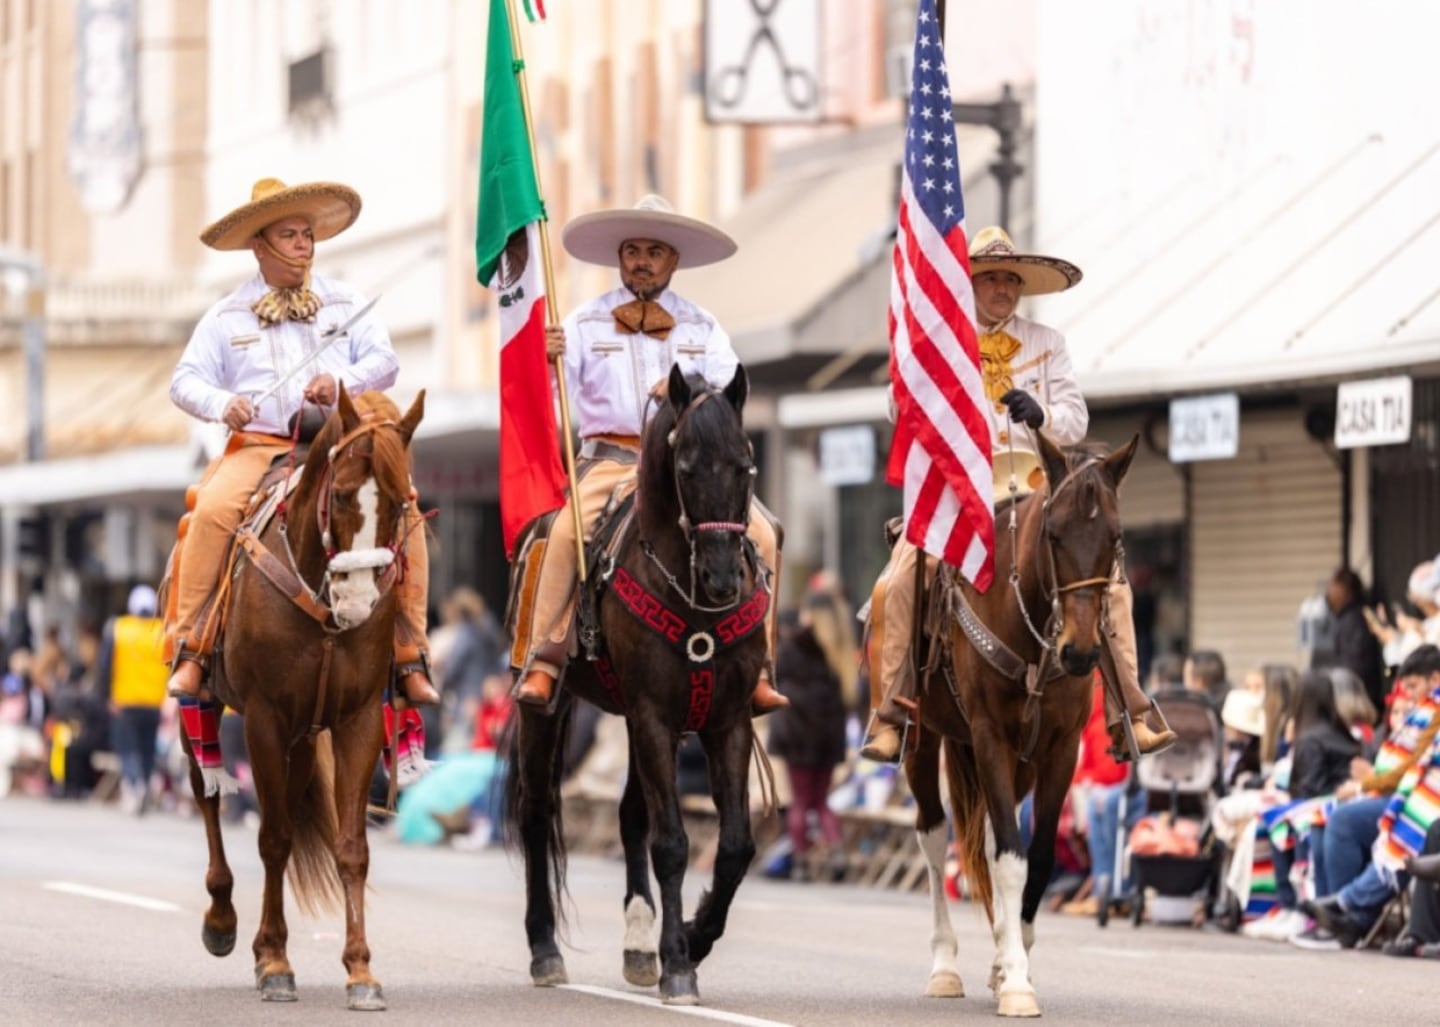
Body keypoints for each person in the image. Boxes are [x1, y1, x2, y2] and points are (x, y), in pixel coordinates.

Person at [860, 227, 1174, 763]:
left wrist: (1041, 414)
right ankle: (892, 717)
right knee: (898, 581)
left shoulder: (1048, 343)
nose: (1002, 288)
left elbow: (1076, 420)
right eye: (990, 278)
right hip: (960, 494)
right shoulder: (943, 339)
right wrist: (918, 363)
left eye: (1010, 279)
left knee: (1113, 582)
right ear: (970, 284)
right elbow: (896, 406)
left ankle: (1131, 715)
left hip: (1036, 490)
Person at [164, 177, 437, 708]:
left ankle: (410, 651)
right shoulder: (225, 314)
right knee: (212, 511)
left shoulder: (346, 301)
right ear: (259, 245)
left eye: (307, 235)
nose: (302, 245)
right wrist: (224, 403)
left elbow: (386, 361)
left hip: (339, 444)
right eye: (289, 235)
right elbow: (184, 381)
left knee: (405, 510)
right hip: (260, 446)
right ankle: (192, 645)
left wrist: (341, 383)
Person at [509, 195, 785, 714]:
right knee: (562, 532)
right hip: (609, 460)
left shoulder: (703, 325)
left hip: (687, 467)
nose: (642, 261)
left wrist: (688, 385)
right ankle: (544, 657)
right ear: (619, 257)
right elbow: (549, 399)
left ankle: (761, 665)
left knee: (766, 534)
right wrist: (543, 361)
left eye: (654, 252)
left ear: (673, 260)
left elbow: (730, 386)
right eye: (632, 250)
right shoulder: (582, 323)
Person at [768, 591, 852, 882]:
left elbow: (776, 679)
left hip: (797, 735)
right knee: (822, 801)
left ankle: (801, 862)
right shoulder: (840, 649)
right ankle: (836, 848)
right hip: (828, 737)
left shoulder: (793, 645)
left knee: (801, 802)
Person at [97, 585, 167, 814]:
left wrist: (106, 695)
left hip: (124, 701)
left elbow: (105, 665)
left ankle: (135, 786)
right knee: (148, 749)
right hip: (154, 702)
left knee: (126, 748)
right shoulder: (162, 631)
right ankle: (146, 783)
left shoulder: (119, 628)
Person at [1319, 567, 1384, 720]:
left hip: (1357, 700)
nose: (1329, 593)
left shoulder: (1354, 621)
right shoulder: (1346, 618)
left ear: (1343, 590)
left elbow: (1354, 664)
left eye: (1332, 587)